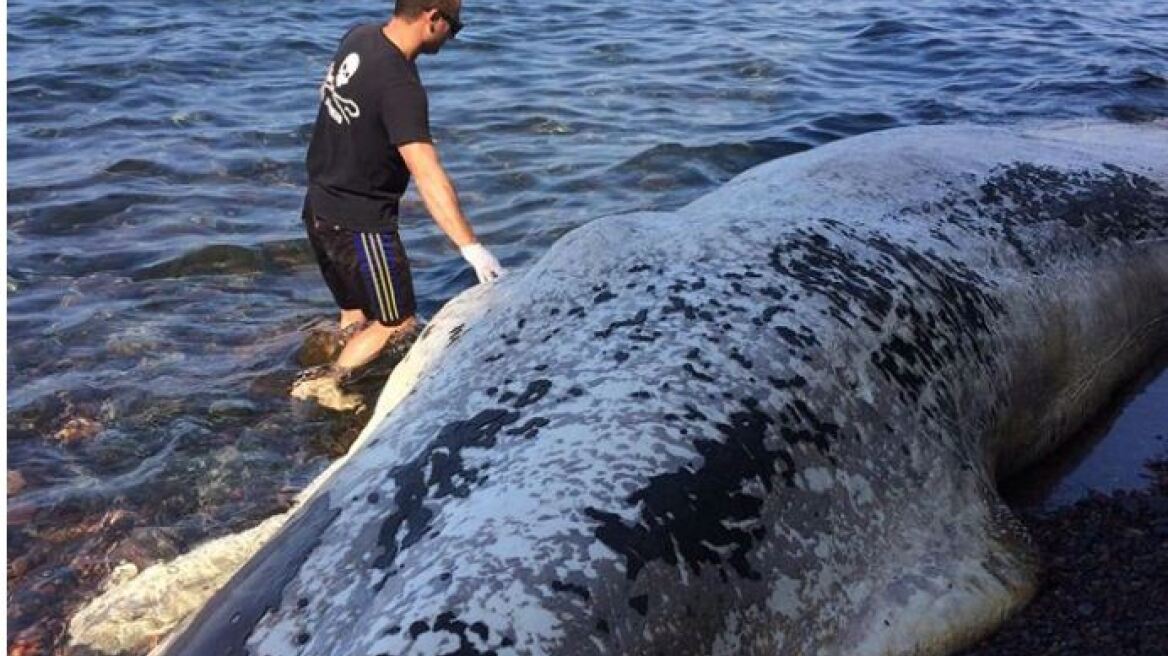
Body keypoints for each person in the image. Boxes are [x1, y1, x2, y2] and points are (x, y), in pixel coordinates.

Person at [292, 0, 504, 410]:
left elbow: (328, 88)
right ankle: (324, 382)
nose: (452, 37)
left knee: (356, 310)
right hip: (361, 224)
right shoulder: (401, 87)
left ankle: (344, 357)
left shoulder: (359, 36)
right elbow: (427, 173)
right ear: (432, 18)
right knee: (397, 322)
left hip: (317, 206)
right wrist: (471, 247)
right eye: (454, 28)